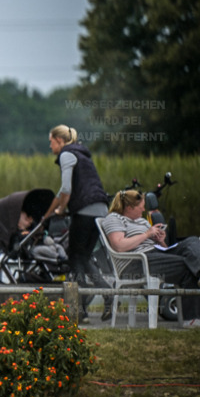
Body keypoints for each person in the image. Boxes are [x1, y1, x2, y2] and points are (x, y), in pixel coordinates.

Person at [42, 124, 112, 320]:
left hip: (85, 211)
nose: (50, 146)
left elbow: (66, 188)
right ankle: (108, 294)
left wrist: (61, 210)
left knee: (74, 258)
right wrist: (47, 214)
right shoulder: (82, 155)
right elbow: (60, 193)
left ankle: (79, 309)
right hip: (100, 210)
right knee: (84, 258)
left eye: (51, 142)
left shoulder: (66, 154)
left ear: (60, 140)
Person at [102, 189, 200, 324]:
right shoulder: (114, 218)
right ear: (129, 208)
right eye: (140, 208)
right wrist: (147, 235)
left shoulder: (141, 221)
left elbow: (162, 249)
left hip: (155, 254)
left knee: (192, 241)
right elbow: (119, 246)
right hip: (136, 262)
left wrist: (160, 241)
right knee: (186, 265)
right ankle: (192, 319)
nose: (143, 211)